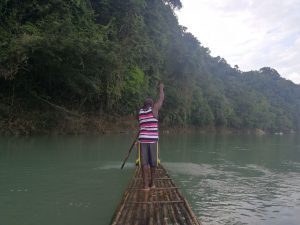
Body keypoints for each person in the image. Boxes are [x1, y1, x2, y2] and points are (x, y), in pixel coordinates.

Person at [138, 83, 164, 191]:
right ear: (152, 104)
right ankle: (152, 184)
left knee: (144, 163)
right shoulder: (154, 109)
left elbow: (140, 126)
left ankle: (145, 186)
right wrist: (161, 88)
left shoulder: (140, 112)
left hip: (142, 140)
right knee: (153, 163)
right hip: (153, 141)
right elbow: (161, 98)